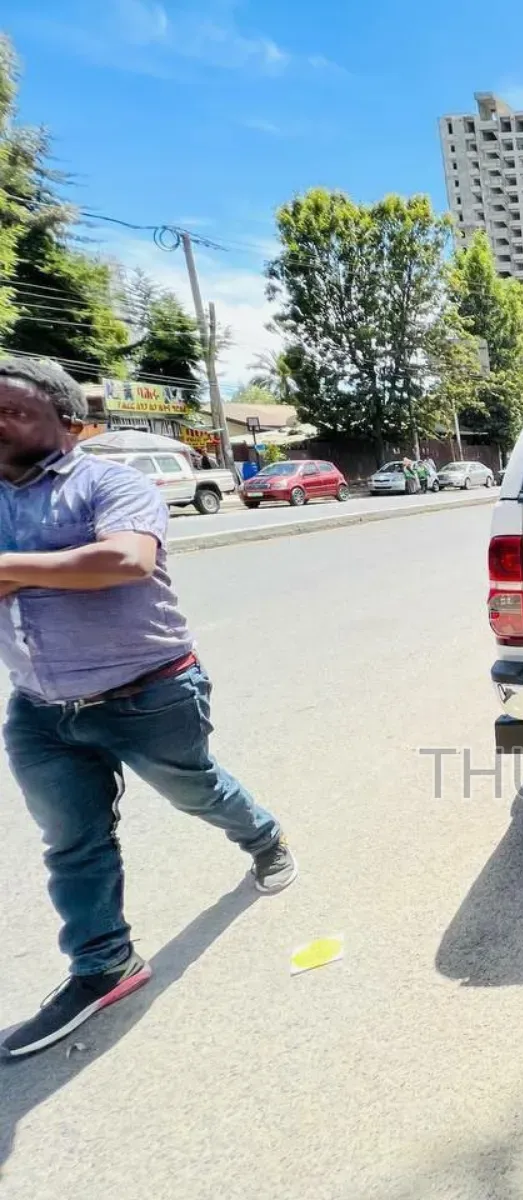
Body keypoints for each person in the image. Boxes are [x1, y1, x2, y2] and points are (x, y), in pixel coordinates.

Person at [0, 358, 296, 1061]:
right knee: (72, 841)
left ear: (69, 423)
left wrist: (10, 569)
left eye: (11, 411)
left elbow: (126, 560)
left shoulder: (111, 482)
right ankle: (104, 963)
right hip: (40, 707)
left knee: (197, 790)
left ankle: (264, 837)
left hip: (150, 693)